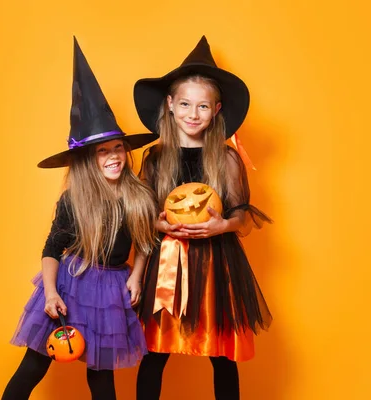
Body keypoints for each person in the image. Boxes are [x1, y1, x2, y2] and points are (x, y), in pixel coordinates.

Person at [2, 37, 158, 400]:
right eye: (103, 152)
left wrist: (136, 277)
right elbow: (53, 247)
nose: (114, 157)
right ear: (88, 160)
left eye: (118, 148)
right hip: (72, 283)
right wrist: (52, 293)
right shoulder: (75, 199)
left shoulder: (139, 196)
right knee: (33, 366)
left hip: (111, 290)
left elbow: (146, 242)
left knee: (101, 378)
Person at [133, 36, 273, 400]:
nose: (193, 115)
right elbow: (145, 216)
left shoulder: (225, 159)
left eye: (203, 107)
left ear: (217, 109)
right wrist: (159, 225)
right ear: (169, 105)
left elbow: (242, 214)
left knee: (222, 354)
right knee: (154, 352)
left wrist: (223, 225)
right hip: (167, 264)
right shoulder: (154, 159)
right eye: (184, 104)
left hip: (215, 264)